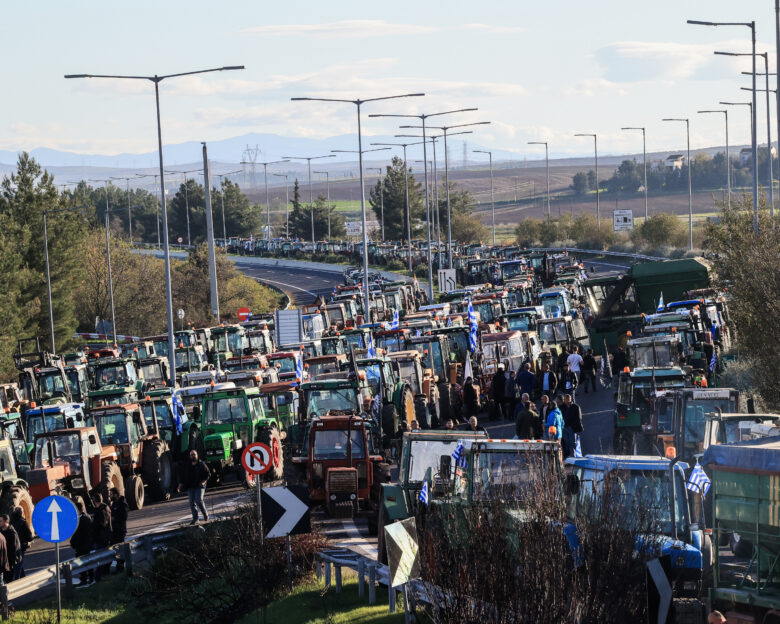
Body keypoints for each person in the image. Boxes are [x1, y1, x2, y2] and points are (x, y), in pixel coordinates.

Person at [178, 449, 210, 525]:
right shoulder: (187, 465)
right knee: (192, 502)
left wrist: (204, 481)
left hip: (199, 485)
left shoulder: (202, 464)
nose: (192, 456)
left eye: (194, 454)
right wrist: (180, 484)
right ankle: (195, 519)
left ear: (197, 455)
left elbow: (208, 474)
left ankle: (205, 513)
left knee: (198, 500)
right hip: (190, 486)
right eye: (191, 455)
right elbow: (183, 476)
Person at [69, 501, 94, 586]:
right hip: (85, 545)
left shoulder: (81, 520)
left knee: (82, 563)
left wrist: (73, 542)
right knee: (87, 562)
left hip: (82, 545)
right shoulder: (87, 517)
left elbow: (77, 534)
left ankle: (85, 579)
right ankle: (90, 578)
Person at [92, 493, 112, 581]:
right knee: (104, 556)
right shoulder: (104, 508)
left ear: (95, 501)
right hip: (104, 537)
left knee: (100, 558)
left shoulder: (101, 510)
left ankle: (99, 576)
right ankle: (104, 573)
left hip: (101, 538)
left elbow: (102, 524)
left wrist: (93, 526)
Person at [109, 487, 129, 571]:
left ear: (116, 495)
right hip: (114, 531)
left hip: (120, 531)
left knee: (120, 548)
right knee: (115, 548)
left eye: (111, 494)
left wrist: (114, 518)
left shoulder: (122, 503)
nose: (110, 496)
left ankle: (121, 566)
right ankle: (118, 564)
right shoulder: (114, 504)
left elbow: (124, 516)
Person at [11, 507, 32, 580]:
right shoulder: (23, 522)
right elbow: (29, 535)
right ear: (22, 513)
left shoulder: (10, 521)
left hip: (12, 546)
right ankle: (17, 580)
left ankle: (23, 578)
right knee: (19, 563)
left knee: (18, 562)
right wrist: (28, 540)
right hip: (21, 546)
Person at [0, 515, 19, 585]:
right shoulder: (1, 532)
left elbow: (14, 550)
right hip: (3, 562)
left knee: (8, 582)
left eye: (1, 521)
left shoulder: (12, 533)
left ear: (6, 522)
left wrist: (11, 564)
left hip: (9, 563)